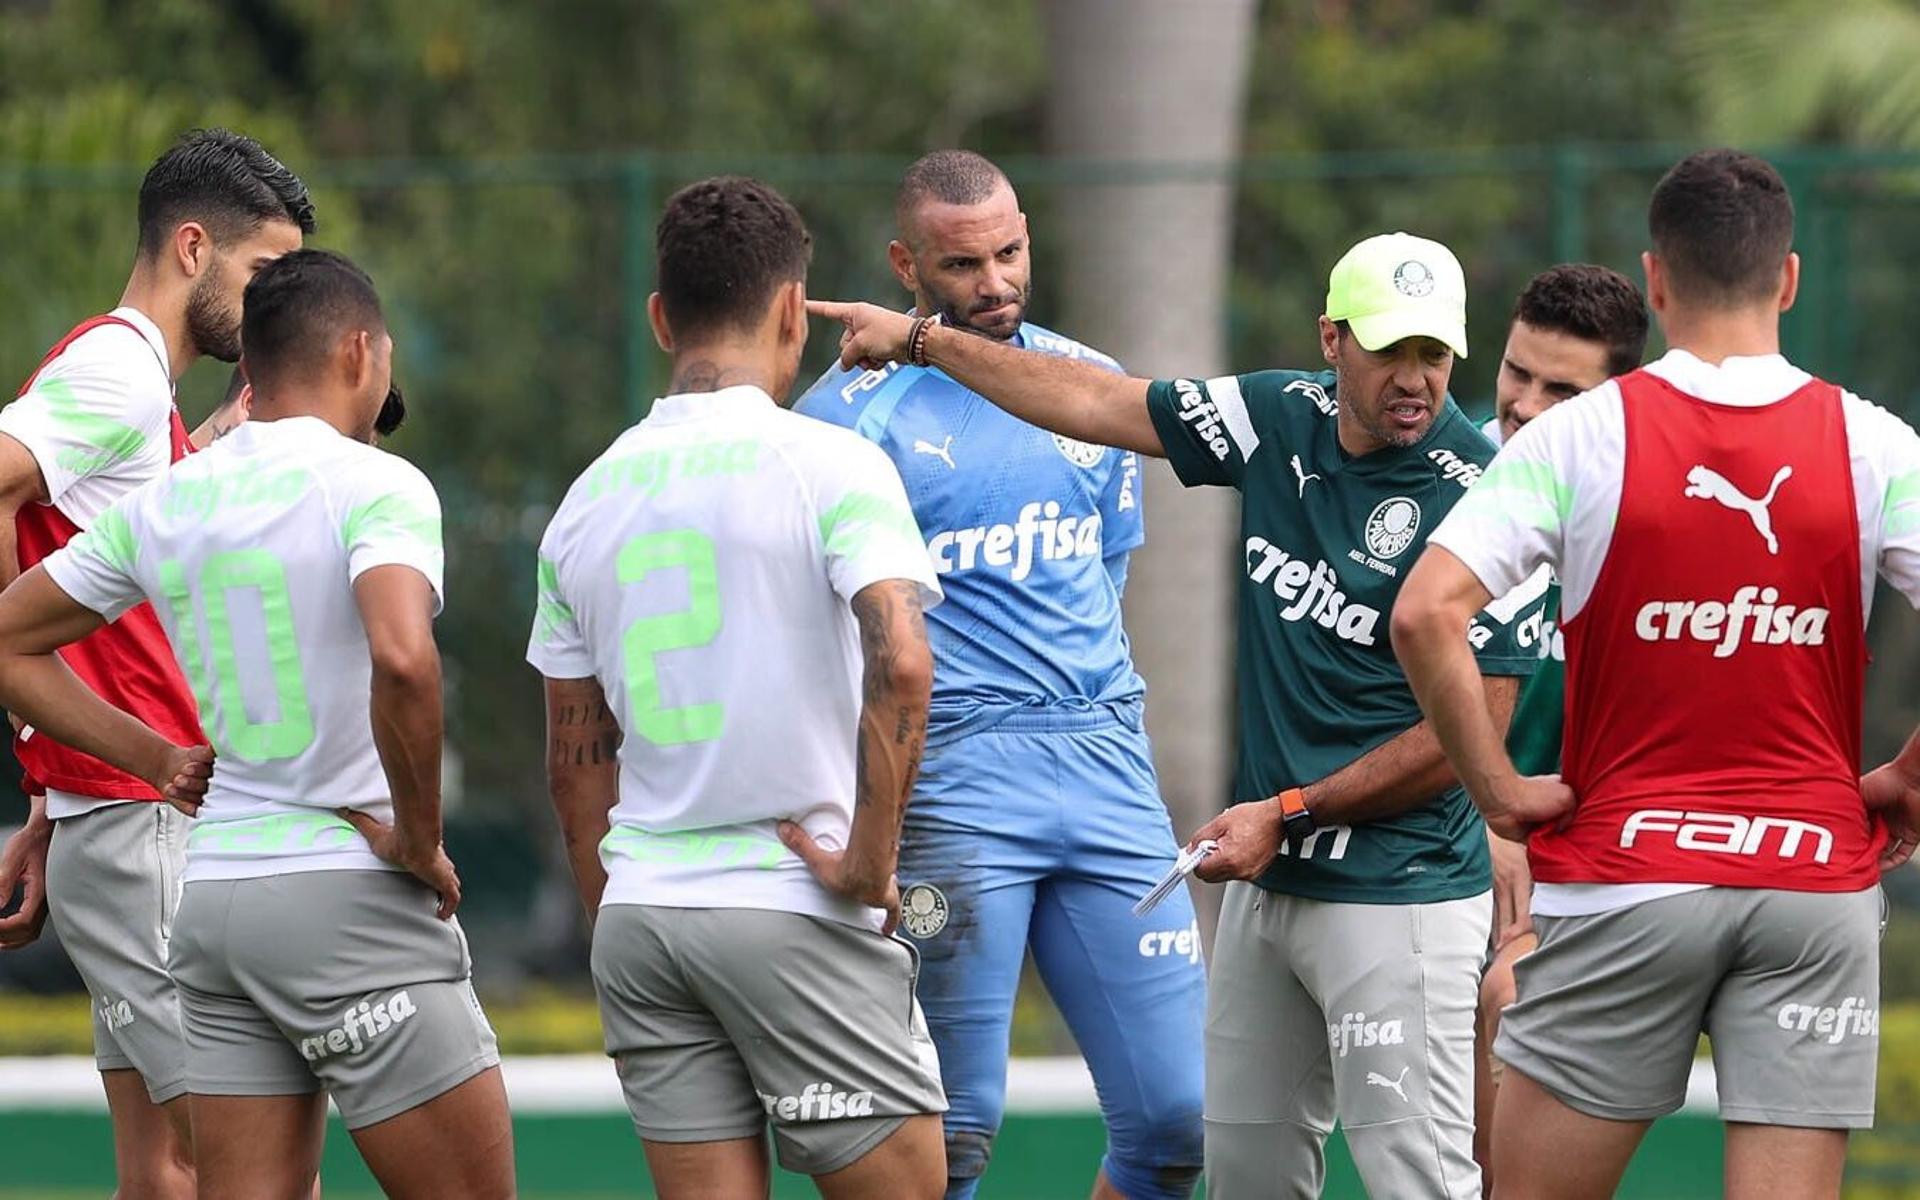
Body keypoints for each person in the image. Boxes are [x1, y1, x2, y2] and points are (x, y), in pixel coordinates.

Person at [812, 230, 1548, 1199]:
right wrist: (922, 342)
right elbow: (1100, 403)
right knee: (1231, 1168)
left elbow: (1467, 743)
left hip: (1397, 893)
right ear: (1333, 342)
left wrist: (1291, 811)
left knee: (1418, 1182)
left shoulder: (1493, 499)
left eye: (1435, 355)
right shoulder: (1283, 414)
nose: (1415, 379)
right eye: (1389, 350)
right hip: (1269, 887)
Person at [1393, 148, 1920, 1200]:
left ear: (1658, 280)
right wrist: (1910, 774)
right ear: (1789, 279)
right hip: (1812, 880)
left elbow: (1424, 612)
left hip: (1627, 881)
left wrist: (1498, 793)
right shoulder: (1876, 445)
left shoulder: (1580, 435)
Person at [0, 248, 513, 1198]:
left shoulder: (170, 496)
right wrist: (418, 840)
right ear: (361, 351)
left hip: (217, 906)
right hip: (348, 897)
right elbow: (404, 660)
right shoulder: (376, 484)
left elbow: (8, 639)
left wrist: (154, 758)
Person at [794, 149, 1205, 1200]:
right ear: (906, 265)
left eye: (1010, 252)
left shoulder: (1088, 388)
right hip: (955, 780)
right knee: (954, 1133)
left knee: (1180, 1120)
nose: (996, 284)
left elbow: (1105, 576)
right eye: (963, 263)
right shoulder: (844, 421)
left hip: (1108, 761)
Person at [529, 176, 948, 1200]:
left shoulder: (583, 502)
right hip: (791, 901)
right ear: (795, 310)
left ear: (660, 318)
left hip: (644, 918)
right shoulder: (833, 466)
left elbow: (575, 767)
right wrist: (867, 862)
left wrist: (619, 910)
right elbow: (903, 661)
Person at [0, 127, 311, 1199]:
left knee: (164, 1174)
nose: (282, 302)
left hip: (111, 824)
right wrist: (58, 734)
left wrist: (45, 787)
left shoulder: (139, 392)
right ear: (191, 247)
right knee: (255, 1167)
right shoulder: (119, 373)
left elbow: (72, 573)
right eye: (265, 273)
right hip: (141, 827)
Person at [1467, 264, 1648, 1189]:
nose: (1525, 408)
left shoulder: (1647, 519)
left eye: (1562, 390)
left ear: (1616, 404)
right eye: (1515, 374)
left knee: (1506, 996)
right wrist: (1482, 814)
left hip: (1586, 870)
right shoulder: (1444, 479)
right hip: (1442, 846)